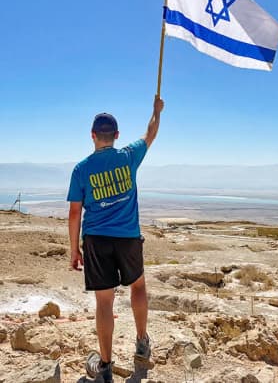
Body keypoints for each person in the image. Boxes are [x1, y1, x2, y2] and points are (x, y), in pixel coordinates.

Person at [68, 95, 164, 382]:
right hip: (128, 237)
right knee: (138, 287)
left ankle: (106, 366)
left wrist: (74, 250)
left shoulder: (81, 169)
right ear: (117, 136)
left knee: (105, 303)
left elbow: (75, 214)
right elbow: (150, 133)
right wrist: (156, 111)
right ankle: (142, 341)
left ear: (93, 135)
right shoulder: (128, 156)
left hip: (96, 240)